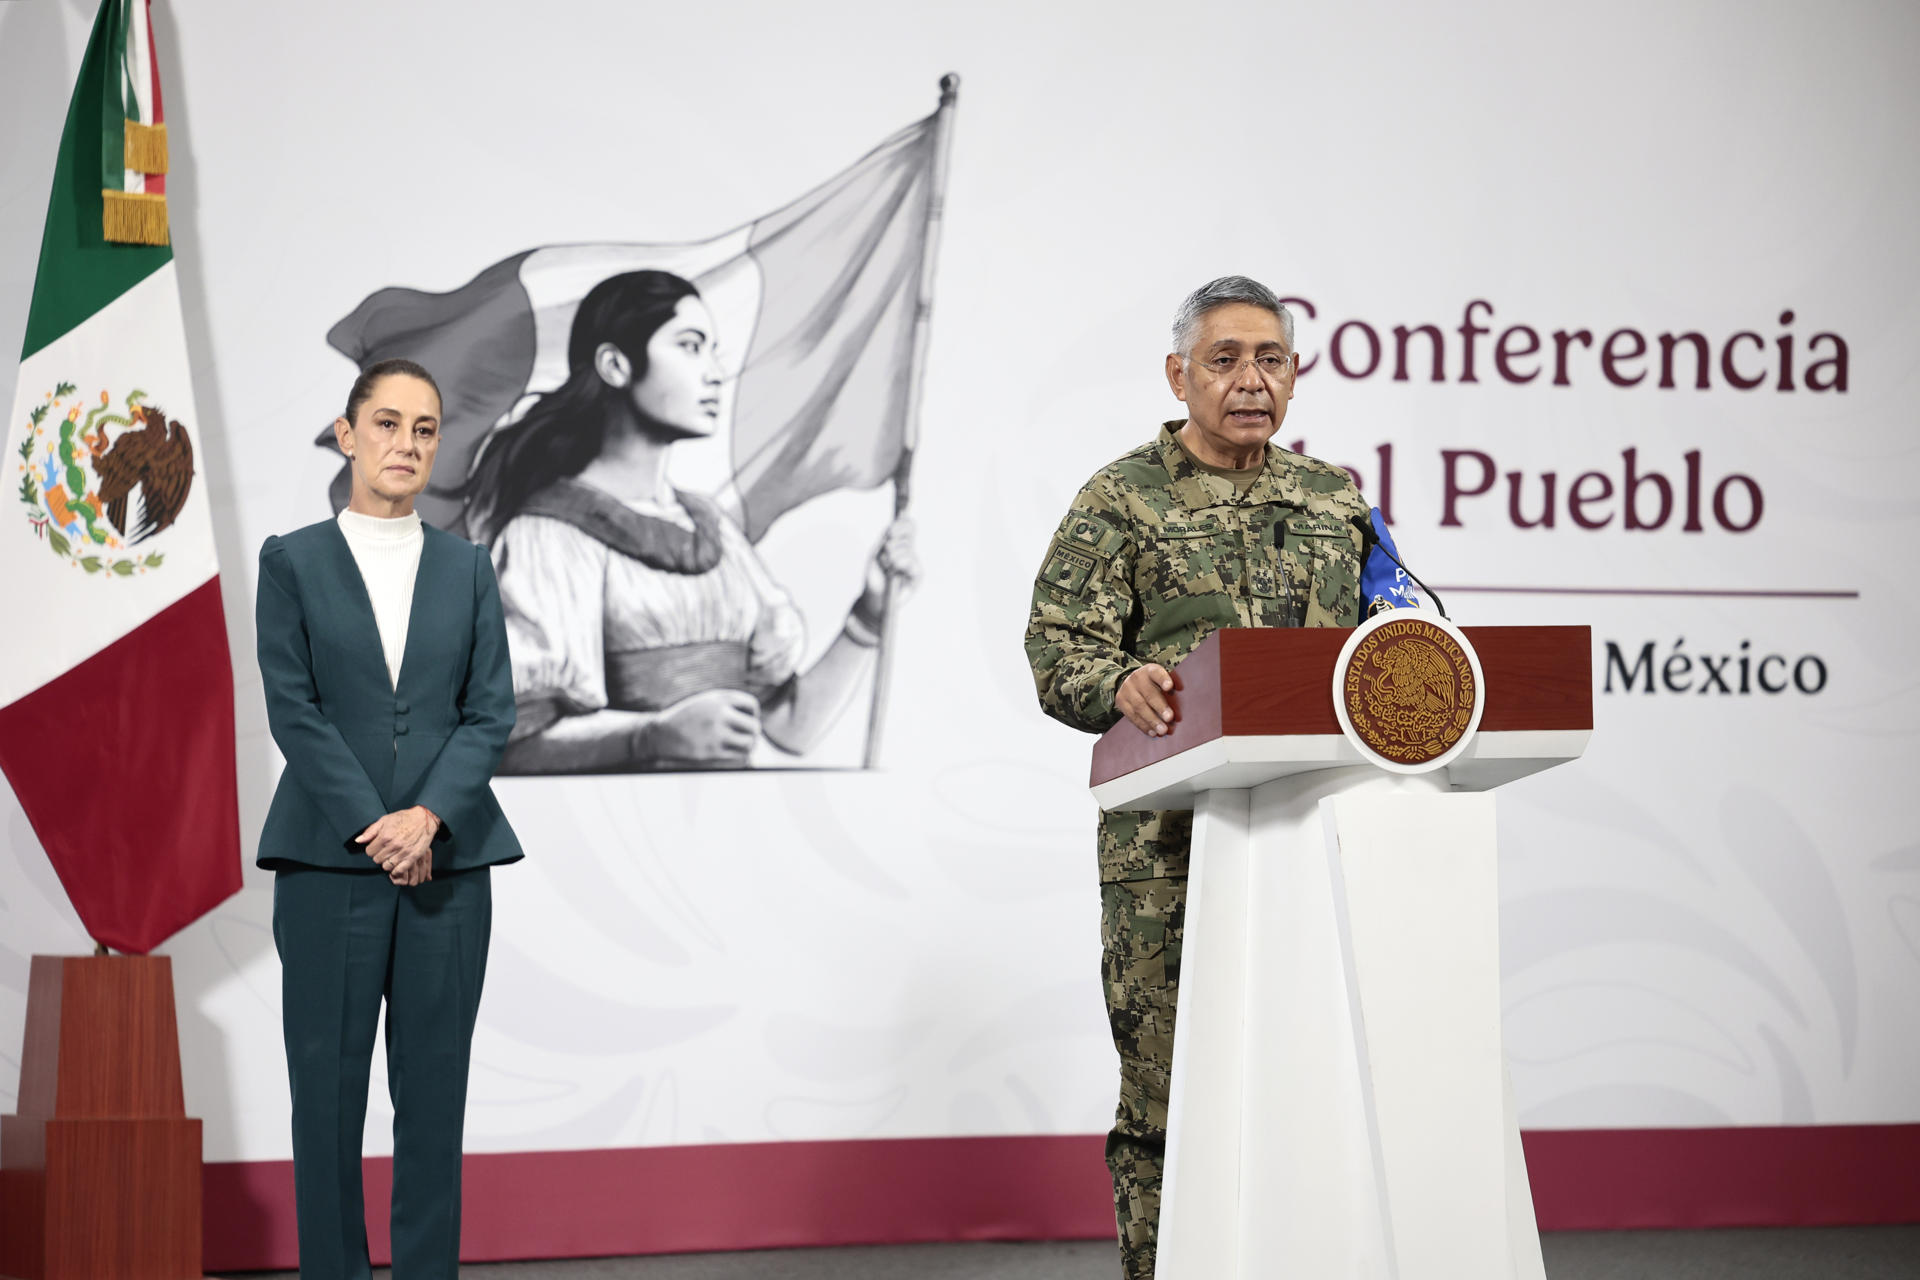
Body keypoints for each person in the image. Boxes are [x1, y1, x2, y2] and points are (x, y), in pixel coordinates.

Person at [1023, 277, 1372, 1280]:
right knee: (1171, 1091)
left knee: (1309, 1077)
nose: (1249, 379)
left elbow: (1383, 640)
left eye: (1270, 358)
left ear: (1295, 377)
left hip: (1311, 835)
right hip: (1168, 849)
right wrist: (1118, 679)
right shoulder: (1120, 497)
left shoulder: (1332, 500)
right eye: (1224, 359)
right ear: (1180, 375)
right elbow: (1057, 648)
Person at [256, 357, 522, 1280]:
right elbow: (295, 711)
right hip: (331, 868)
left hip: (452, 873)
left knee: (434, 1103)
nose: (405, 443)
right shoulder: (291, 561)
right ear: (347, 433)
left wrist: (429, 822)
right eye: (387, 424)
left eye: (424, 429)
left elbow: (491, 712)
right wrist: (382, 827)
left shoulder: (469, 566)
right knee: (324, 1105)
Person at [461, 269, 915, 773]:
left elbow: (791, 727)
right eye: (690, 346)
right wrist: (652, 736)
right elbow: (515, 743)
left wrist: (870, 614)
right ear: (615, 364)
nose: (715, 372)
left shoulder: (713, 529)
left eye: (712, 349)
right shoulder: (548, 535)